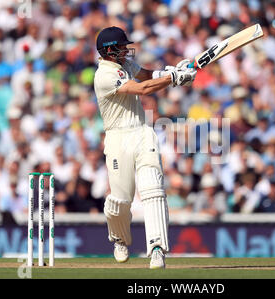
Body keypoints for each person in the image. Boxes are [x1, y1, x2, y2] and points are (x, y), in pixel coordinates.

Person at [93, 26, 197, 269]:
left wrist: (171, 71)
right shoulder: (104, 76)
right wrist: (172, 79)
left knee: (153, 189)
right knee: (120, 200)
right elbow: (141, 89)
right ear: (109, 51)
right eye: (121, 47)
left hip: (142, 132)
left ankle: (157, 248)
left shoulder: (124, 66)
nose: (126, 50)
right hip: (118, 138)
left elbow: (146, 76)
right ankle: (119, 239)